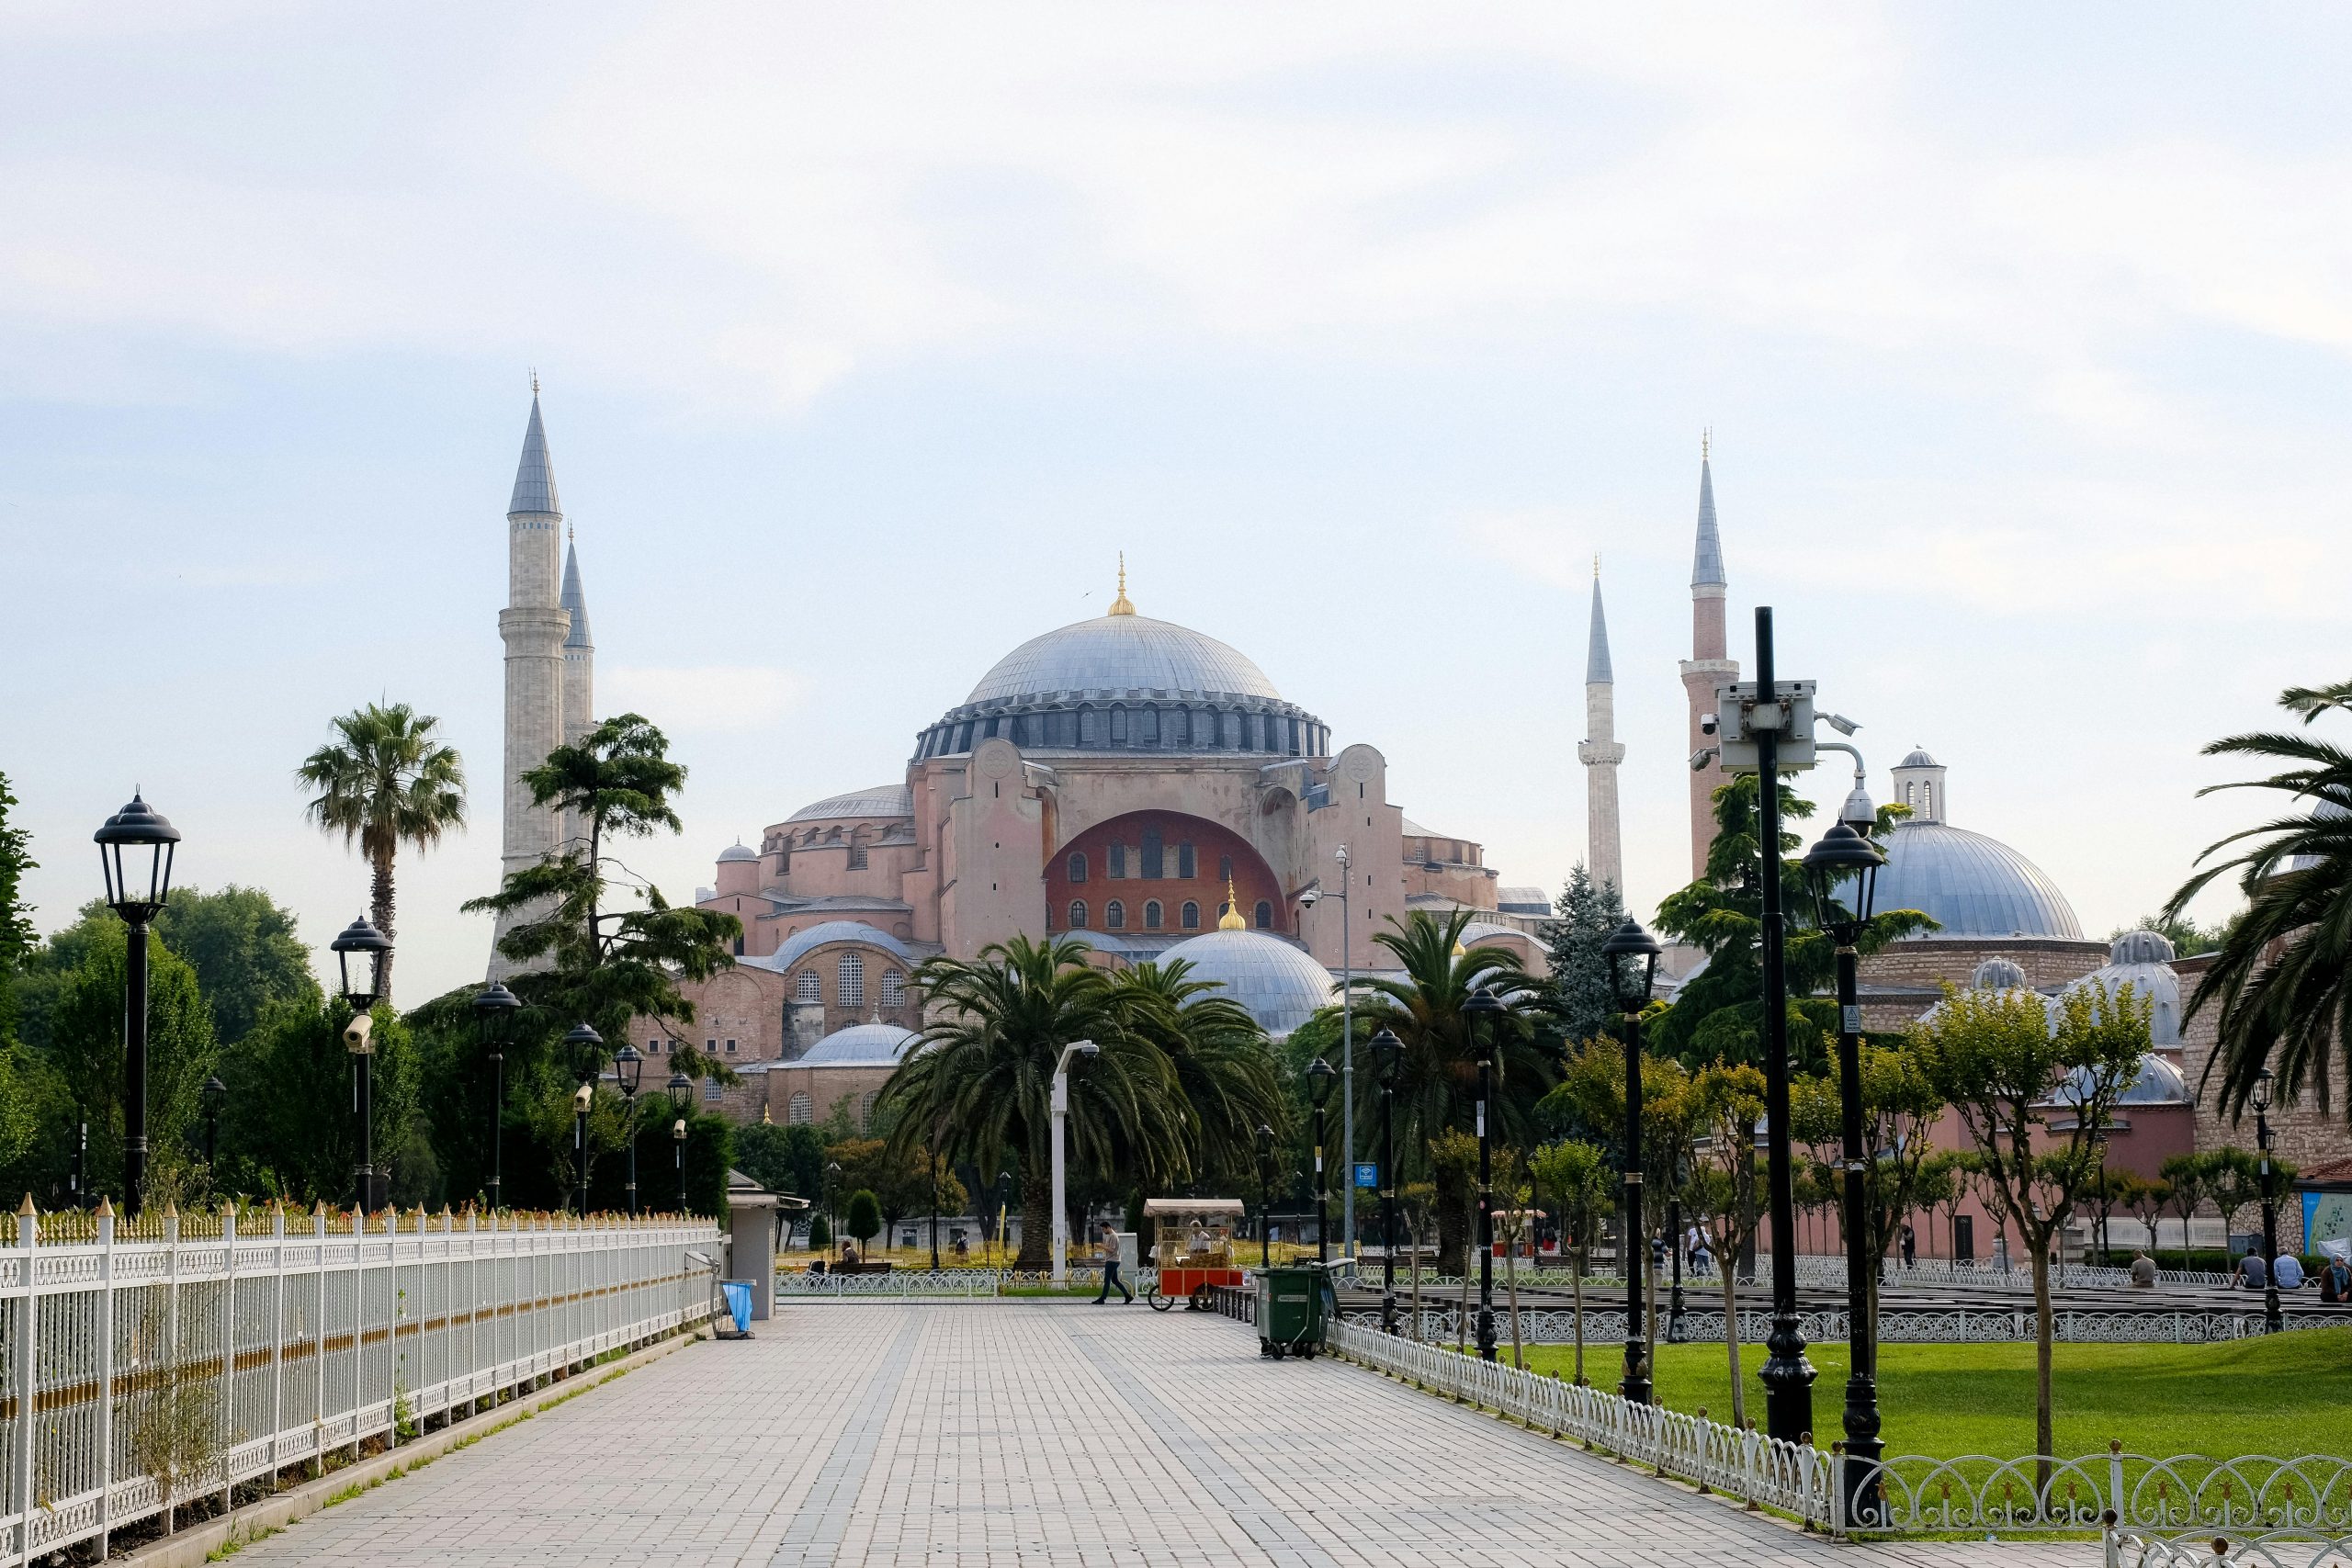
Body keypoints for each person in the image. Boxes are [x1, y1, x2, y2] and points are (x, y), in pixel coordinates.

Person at [1093, 1220, 1134, 1304]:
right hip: (1113, 1260)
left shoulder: (1113, 1236)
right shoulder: (1110, 1236)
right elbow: (1109, 1248)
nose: (1103, 1231)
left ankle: (1102, 1298)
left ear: (1108, 1227)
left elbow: (1111, 1250)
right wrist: (1103, 1246)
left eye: (1103, 1229)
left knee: (1107, 1279)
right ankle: (1128, 1296)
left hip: (1112, 1260)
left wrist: (1101, 1246)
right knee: (1115, 1280)